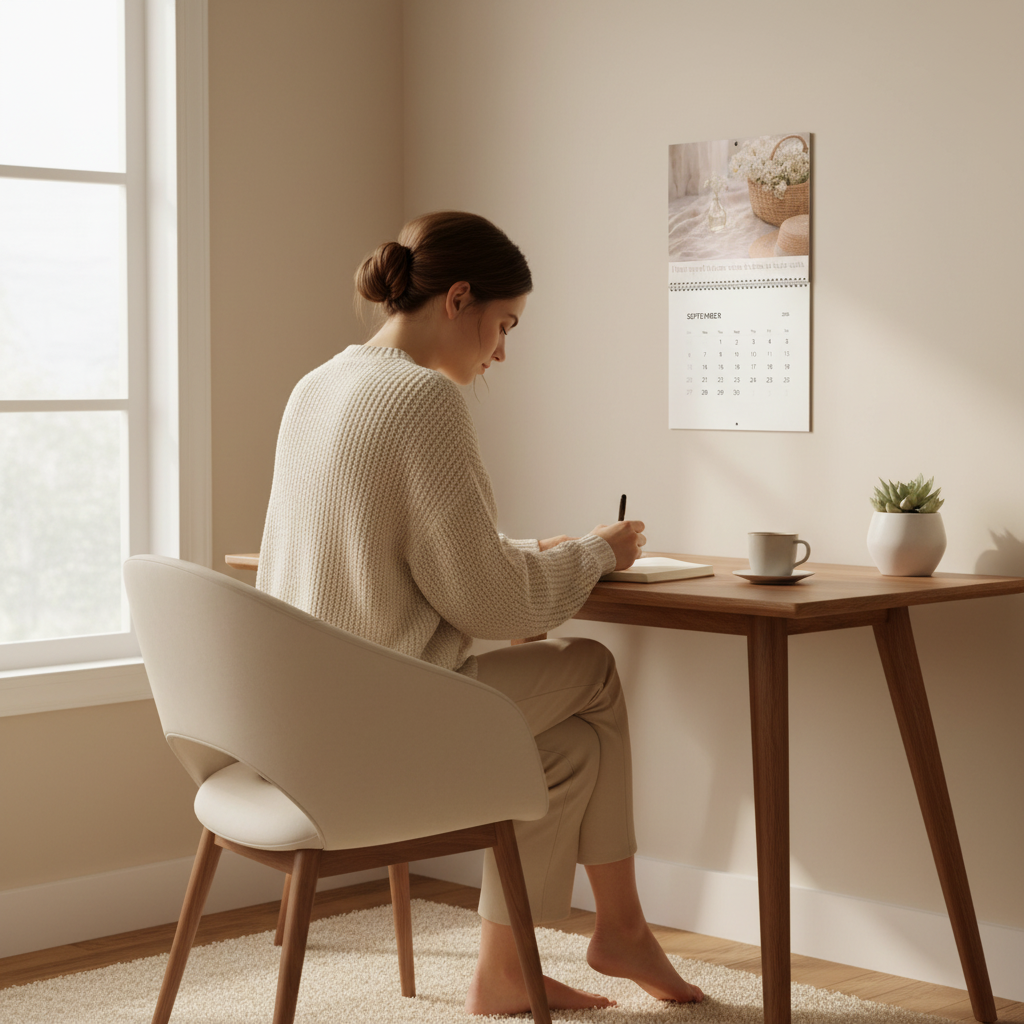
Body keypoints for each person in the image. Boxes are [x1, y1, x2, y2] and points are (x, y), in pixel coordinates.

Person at [256, 211, 704, 1014]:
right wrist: (597, 554)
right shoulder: (422, 397)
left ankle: (507, 972)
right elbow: (490, 603)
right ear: (458, 299)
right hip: (378, 722)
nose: (501, 353)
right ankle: (623, 927)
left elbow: (397, 547)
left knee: (567, 750)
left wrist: (530, 552)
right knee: (593, 671)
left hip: (296, 724)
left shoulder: (318, 385)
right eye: (504, 326)